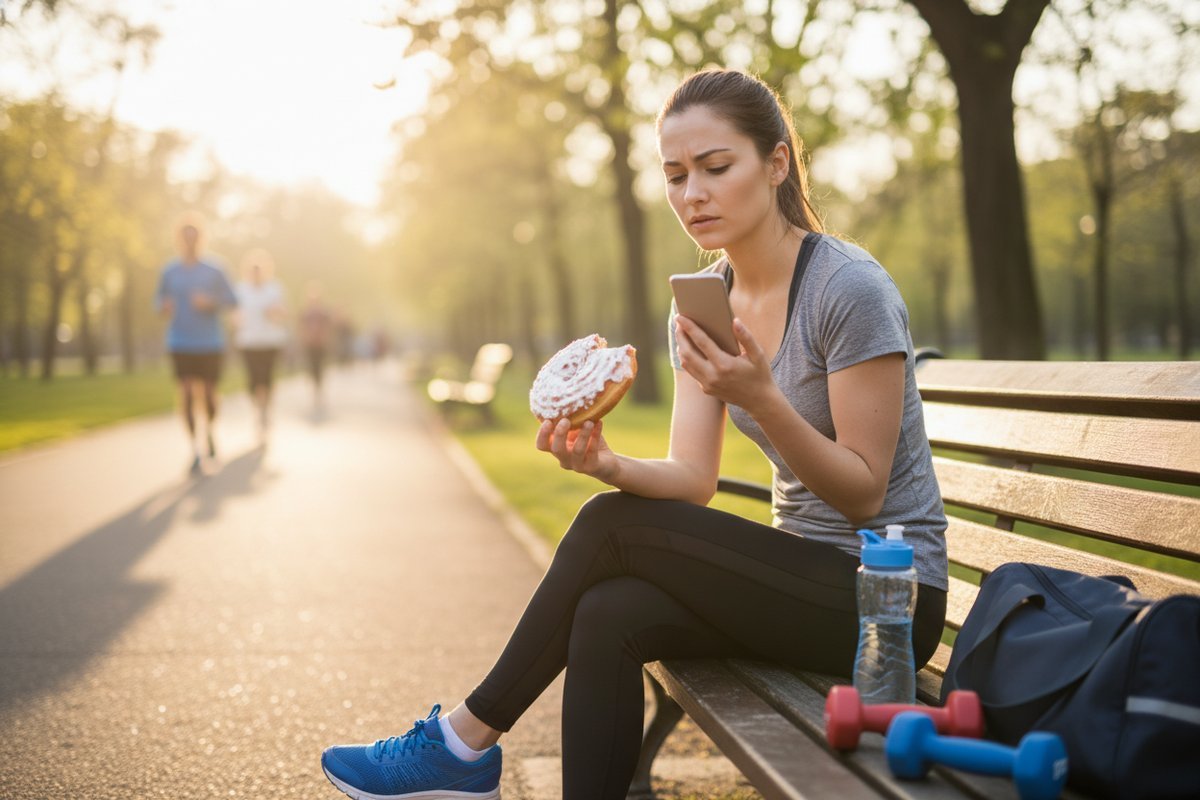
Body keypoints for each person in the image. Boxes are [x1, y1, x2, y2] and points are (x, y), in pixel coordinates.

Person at [320, 69, 949, 800]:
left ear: (777, 163)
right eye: (675, 176)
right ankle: (473, 755)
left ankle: (462, 742)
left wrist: (763, 399)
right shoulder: (703, 303)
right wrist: (608, 464)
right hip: (797, 581)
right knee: (608, 611)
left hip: (888, 601)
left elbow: (866, 494)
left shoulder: (848, 289)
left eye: (716, 168)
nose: (693, 194)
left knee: (608, 528)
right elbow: (693, 478)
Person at [155, 214, 237, 474]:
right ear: (179, 239)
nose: (190, 241)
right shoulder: (170, 270)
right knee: (187, 392)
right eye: (185, 237)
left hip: (210, 342)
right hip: (180, 341)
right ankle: (194, 448)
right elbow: (159, 301)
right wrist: (164, 306)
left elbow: (232, 300)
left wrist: (210, 302)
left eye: (194, 237)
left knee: (210, 394)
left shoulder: (215, 269)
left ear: (201, 238)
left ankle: (209, 430)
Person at [233, 248, 288, 442]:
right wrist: (236, 321)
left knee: (267, 379)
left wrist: (275, 312)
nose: (256, 273)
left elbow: (283, 312)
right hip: (248, 341)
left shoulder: (274, 288)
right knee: (252, 381)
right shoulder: (240, 289)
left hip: (269, 341)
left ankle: (265, 411)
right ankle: (258, 409)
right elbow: (234, 314)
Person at [298, 282, 335, 409]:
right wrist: (304, 339)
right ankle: (314, 389)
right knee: (311, 367)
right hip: (309, 344)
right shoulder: (305, 312)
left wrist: (326, 338)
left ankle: (319, 390)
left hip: (321, 344)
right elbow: (301, 327)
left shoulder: (324, 312)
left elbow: (329, 327)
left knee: (320, 368)